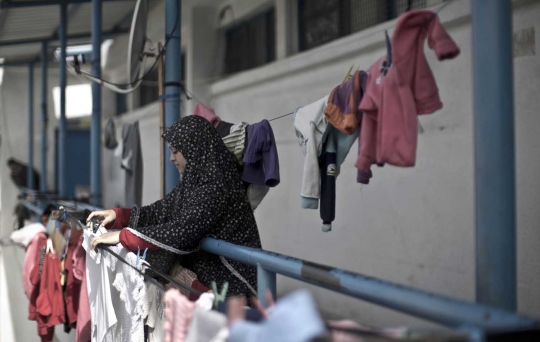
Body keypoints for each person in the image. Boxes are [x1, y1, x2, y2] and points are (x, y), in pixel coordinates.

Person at [86, 116, 262, 298]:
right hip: (212, 273)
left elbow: (181, 231)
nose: (171, 158)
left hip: (234, 280)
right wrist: (118, 216)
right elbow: (161, 211)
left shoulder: (217, 185)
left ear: (194, 150)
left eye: (176, 151)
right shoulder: (194, 181)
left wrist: (123, 236)